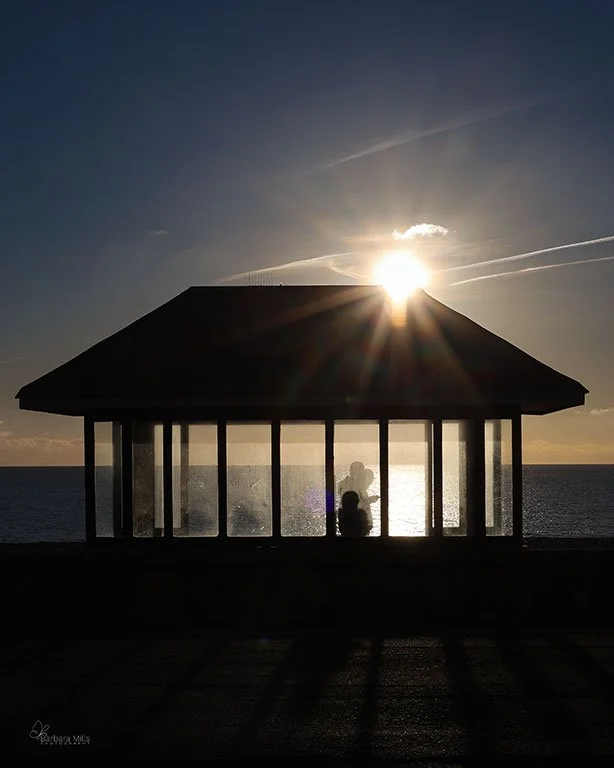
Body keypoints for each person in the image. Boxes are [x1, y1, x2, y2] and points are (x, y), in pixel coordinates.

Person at [338, 461, 379, 530]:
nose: (362, 474)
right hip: (356, 523)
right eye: (361, 471)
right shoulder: (353, 486)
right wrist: (370, 500)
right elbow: (354, 503)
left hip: (350, 522)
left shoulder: (343, 484)